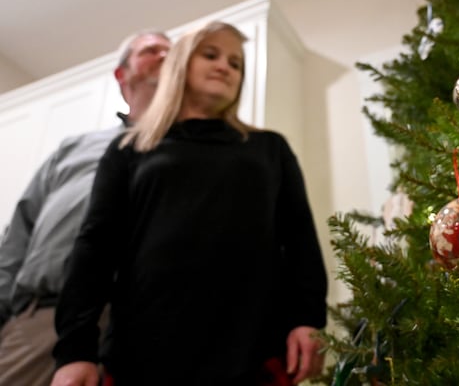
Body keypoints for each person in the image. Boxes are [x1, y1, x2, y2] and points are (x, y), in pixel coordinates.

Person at [51, 21, 328, 386]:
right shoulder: (129, 150)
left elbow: (299, 238)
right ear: (180, 65)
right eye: (210, 55)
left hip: (254, 351)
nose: (224, 67)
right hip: (143, 355)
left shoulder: (269, 148)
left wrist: (308, 318)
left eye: (235, 63)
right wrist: (75, 351)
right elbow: (95, 246)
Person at [0, 30, 171, 386]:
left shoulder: (205, 154)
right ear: (122, 75)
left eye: (173, 52)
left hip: (156, 333)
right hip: (42, 326)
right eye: (152, 50)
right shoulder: (75, 148)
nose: (166, 55)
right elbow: (18, 237)